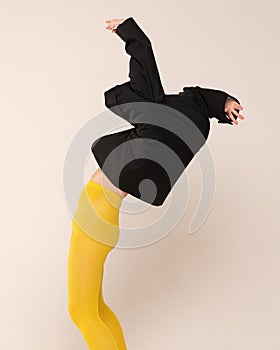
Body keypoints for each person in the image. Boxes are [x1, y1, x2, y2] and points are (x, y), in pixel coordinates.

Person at [67, 17, 245, 350]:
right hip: (105, 214)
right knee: (96, 307)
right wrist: (223, 104)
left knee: (81, 312)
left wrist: (130, 33)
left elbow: (146, 69)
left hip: (95, 210)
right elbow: (198, 100)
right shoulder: (183, 125)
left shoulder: (156, 116)